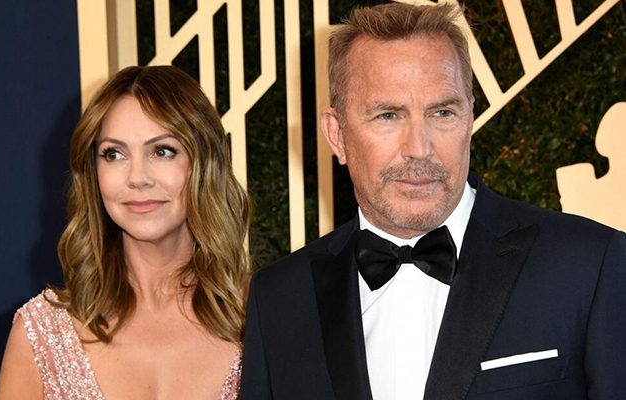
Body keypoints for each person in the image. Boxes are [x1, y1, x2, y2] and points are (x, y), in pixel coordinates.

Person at [240, 3, 626, 400]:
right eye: (388, 115)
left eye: (442, 112)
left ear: (469, 118)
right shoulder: (280, 299)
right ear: (337, 134)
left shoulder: (588, 266)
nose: (419, 148)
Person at [0, 66, 250, 400]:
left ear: (204, 164)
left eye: (162, 151)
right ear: (94, 173)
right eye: (114, 154)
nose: (137, 178)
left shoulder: (264, 314)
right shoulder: (42, 336)